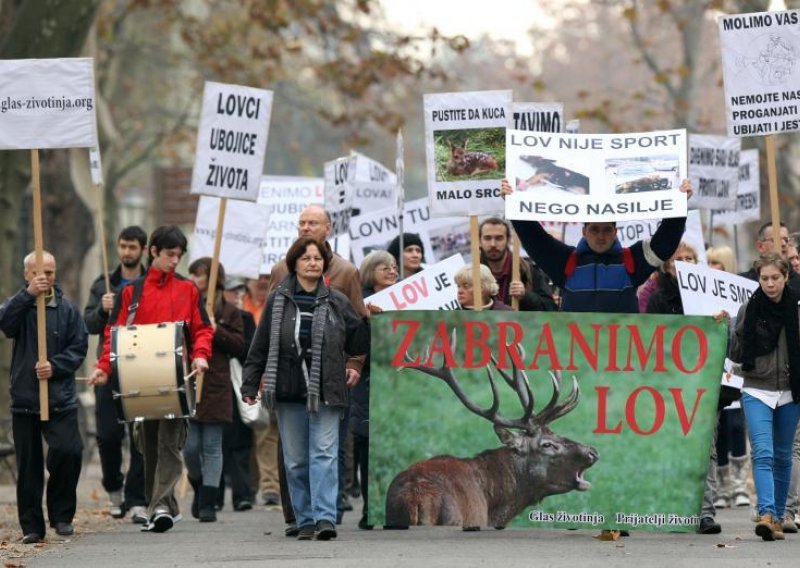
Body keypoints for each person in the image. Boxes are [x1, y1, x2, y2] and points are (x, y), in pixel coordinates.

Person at [502, 177, 691, 538]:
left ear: (616, 229)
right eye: (595, 230)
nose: (601, 236)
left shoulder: (632, 261)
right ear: (584, 229)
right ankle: (581, 506)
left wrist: (679, 202)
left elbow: (667, 241)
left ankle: (623, 504)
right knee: (580, 438)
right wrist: (515, 204)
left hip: (622, 369)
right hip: (579, 369)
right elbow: (533, 237)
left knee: (621, 437)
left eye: (607, 230)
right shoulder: (566, 262)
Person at [88, 225, 213, 534]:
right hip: (139, 380)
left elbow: (203, 329)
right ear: (153, 252)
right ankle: (161, 505)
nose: (175, 261)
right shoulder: (130, 293)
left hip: (176, 378)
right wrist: (104, 366)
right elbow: (112, 333)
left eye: (179, 256)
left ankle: (159, 507)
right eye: (170, 255)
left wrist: (200, 354)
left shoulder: (188, 290)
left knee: (170, 442)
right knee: (148, 446)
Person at [242, 237, 367, 541]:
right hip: (288, 389)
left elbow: (358, 342)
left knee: (324, 453)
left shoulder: (337, 300)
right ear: (294, 262)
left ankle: (325, 518)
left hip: (327, 389)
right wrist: (250, 382)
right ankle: (305, 518)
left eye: (318, 258)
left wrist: (368, 322)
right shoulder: (277, 299)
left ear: (324, 264)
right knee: (296, 459)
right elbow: (260, 345)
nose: (313, 262)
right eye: (306, 258)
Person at [0, 251, 88, 544]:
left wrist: (56, 366)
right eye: (38, 272)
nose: (45, 277)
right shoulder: (19, 305)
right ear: (27, 274)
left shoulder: (68, 310)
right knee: (28, 465)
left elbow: (78, 348)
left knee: (68, 451)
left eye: (50, 272)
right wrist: (27, 296)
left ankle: (62, 515)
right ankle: (32, 526)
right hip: (26, 398)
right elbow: (5, 324)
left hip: (59, 397)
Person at [724, 252, 800, 541]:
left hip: (791, 391)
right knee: (763, 452)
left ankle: (779, 517)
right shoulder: (749, 309)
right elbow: (735, 352)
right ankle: (766, 514)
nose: (769, 284)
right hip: (756, 387)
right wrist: (725, 329)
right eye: (764, 278)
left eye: (775, 278)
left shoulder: (797, 309)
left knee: (782, 456)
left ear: (786, 278)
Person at [83, 225, 148, 523]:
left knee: (140, 437)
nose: (126, 252)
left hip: (142, 367)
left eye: (132, 247)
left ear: (143, 250)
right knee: (108, 435)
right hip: (108, 368)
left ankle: (137, 498)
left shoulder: (151, 284)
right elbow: (89, 325)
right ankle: (114, 486)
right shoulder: (103, 284)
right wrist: (101, 309)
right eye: (123, 246)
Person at [185, 258, 246, 522]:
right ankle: (199, 486)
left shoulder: (230, 310)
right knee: (190, 447)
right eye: (194, 274)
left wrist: (216, 329)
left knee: (212, 445)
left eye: (201, 275)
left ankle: (209, 501)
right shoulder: (185, 305)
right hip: (189, 381)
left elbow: (239, 347)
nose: (196, 279)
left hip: (217, 384)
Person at [354, 250, 399, 530]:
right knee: (367, 447)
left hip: (397, 383)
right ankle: (371, 507)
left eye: (394, 267)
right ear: (371, 272)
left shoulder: (410, 302)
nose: (393, 271)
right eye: (385, 267)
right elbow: (354, 345)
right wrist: (369, 323)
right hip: (368, 383)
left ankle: (395, 510)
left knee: (394, 446)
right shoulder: (358, 305)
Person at [242, 274, 281, 507]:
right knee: (260, 434)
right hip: (252, 377)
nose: (262, 282)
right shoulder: (241, 305)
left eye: (268, 278)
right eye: (258, 278)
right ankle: (257, 484)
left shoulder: (278, 302)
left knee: (270, 434)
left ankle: (270, 486)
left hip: (275, 377)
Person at [478, 216, 557, 311]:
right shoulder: (472, 274)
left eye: (499, 238)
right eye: (487, 238)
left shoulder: (528, 270)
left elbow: (551, 309)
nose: (493, 244)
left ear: (508, 240)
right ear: (479, 241)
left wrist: (526, 295)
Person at [739, 221, 800, 294]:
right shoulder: (742, 283)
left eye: (786, 240)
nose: (783, 244)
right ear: (760, 246)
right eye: (776, 239)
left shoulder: (797, 281)